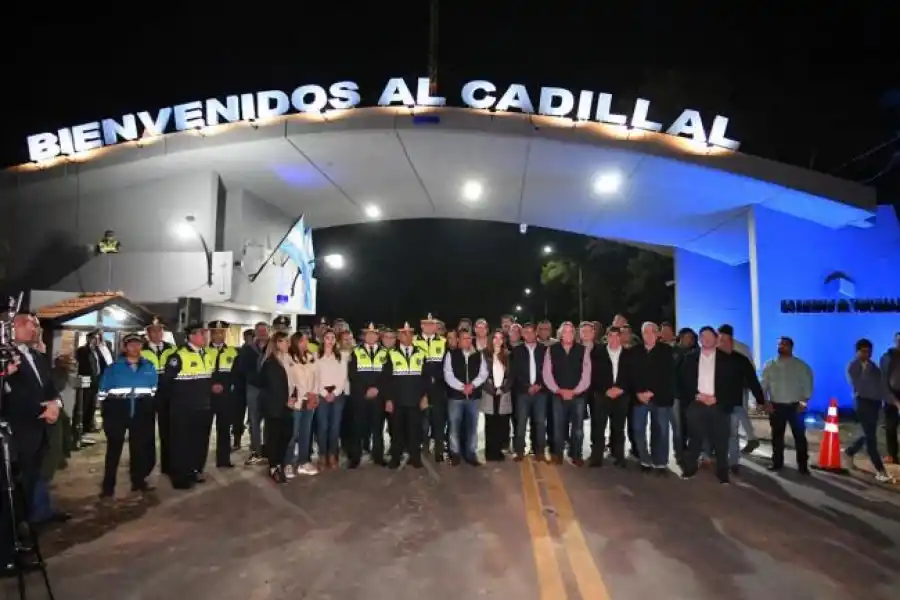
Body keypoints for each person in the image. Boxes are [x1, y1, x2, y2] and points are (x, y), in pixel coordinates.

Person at [1, 313, 62, 567]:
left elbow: (49, 387)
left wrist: (56, 404)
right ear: (12, 327)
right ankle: (6, 554)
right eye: (31, 324)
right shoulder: (5, 358)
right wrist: (41, 410)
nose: (35, 329)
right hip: (16, 434)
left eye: (36, 325)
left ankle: (17, 536)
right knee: (10, 491)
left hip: (39, 433)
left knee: (28, 486)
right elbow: (9, 398)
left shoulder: (37, 356)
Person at [678, 326, 744, 484]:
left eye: (709, 336)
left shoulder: (727, 359)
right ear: (699, 340)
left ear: (716, 339)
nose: (706, 339)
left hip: (718, 405)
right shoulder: (690, 358)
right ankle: (690, 469)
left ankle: (722, 473)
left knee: (721, 441)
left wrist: (718, 398)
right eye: (703, 337)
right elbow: (682, 381)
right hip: (697, 403)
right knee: (694, 439)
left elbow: (734, 385)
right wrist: (695, 395)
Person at [97, 333, 158, 497]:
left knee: (138, 449)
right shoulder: (114, 368)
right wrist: (105, 414)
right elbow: (102, 391)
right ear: (125, 347)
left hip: (140, 409)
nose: (135, 348)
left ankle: (138, 482)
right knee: (114, 449)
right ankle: (108, 487)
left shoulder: (149, 366)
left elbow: (154, 390)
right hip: (117, 409)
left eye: (138, 344)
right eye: (131, 345)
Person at [160, 323, 212, 489]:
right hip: (183, 409)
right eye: (201, 334)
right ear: (191, 337)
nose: (204, 337)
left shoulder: (206, 354)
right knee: (181, 443)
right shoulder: (178, 356)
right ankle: (180, 477)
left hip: (202, 407)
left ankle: (194, 471)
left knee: (199, 442)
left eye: (204, 334)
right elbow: (166, 383)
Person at [628, 322, 676, 474]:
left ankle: (660, 462)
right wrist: (638, 392)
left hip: (661, 398)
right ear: (642, 335)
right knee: (638, 429)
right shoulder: (634, 352)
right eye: (645, 332)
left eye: (652, 331)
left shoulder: (667, 351)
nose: (649, 334)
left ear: (657, 334)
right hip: (639, 398)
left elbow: (669, 376)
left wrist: (652, 392)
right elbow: (630, 375)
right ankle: (644, 459)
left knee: (661, 430)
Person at [543, 321, 592, 466]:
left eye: (571, 331)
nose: (568, 334)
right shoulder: (551, 350)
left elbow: (587, 374)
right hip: (558, 395)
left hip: (578, 396)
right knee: (558, 427)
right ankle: (557, 454)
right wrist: (558, 390)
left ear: (574, 334)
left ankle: (576, 454)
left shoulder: (583, 350)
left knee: (578, 429)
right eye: (565, 331)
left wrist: (575, 391)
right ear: (560, 334)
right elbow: (547, 373)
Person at [761, 336, 812, 475]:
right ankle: (777, 463)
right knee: (777, 436)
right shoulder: (770, 365)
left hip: (795, 407)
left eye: (784, 345)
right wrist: (765, 402)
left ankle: (803, 466)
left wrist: (803, 402)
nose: (781, 347)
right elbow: (763, 385)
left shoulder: (801, 366)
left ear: (791, 347)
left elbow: (807, 385)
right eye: (779, 344)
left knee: (800, 437)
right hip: (776, 406)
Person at [717, 324, 765, 474]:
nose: (721, 342)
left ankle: (733, 462)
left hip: (733, 401)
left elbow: (752, 379)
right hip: (715, 402)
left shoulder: (740, 359)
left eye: (724, 339)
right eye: (720, 339)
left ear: (730, 340)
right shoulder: (711, 357)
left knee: (732, 432)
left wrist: (760, 399)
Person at [846, 339, 895, 483]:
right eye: (864, 351)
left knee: (868, 435)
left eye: (869, 351)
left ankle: (850, 452)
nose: (867, 354)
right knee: (871, 440)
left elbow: (882, 389)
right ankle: (881, 471)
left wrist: (894, 402)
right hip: (862, 404)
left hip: (874, 406)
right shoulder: (853, 367)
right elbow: (860, 386)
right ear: (857, 351)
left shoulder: (875, 368)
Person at [385, 322, 428, 469]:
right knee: (397, 431)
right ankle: (396, 458)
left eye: (410, 333)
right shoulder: (391, 354)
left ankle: (415, 457)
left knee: (415, 430)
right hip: (398, 400)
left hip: (416, 400)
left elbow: (426, 378)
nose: (407, 336)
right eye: (404, 333)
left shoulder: (421, 353)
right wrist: (389, 399)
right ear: (399, 336)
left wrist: (425, 396)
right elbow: (387, 379)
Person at [347, 323, 389, 468]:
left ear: (378, 336)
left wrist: (377, 388)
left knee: (377, 428)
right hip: (361, 396)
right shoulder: (356, 351)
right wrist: (365, 390)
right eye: (368, 334)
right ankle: (355, 458)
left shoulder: (385, 352)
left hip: (378, 396)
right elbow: (352, 374)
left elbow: (387, 375)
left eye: (374, 334)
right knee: (358, 428)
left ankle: (378, 456)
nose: (371, 336)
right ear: (364, 336)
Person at [444, 328, 488, 466]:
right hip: (456, 398)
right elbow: (448, 375)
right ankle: (455, 454)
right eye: (464, 338)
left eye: (469, 338)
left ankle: (470, 454)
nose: (467, 340)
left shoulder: (479, 355)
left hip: (473, 398)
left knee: (472, 428)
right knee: (454, 427)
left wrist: (472, 386)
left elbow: (483, 373)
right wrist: (463, 387)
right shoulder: (451, 355)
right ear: (458, 340)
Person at [589, 326, 630, 468]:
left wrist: (621, 388)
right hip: (602, 395)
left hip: (621, 395)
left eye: (616, 336)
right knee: (599, 427)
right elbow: (592, 374)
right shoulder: (598, 353)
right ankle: (596, 458)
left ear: (621, 337)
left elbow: (631, 375)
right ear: (607, 337)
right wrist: (605, 389)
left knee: (618, 427)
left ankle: (619, 456)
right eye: (610, 336)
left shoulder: (628, 354)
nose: (613, 339)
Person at [511, 323, 549, 462]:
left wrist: (539, 385)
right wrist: (527, 386)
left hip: (541, 392)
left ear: (536, 333)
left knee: (539, 422)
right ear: (522, 335)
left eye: (531, 332)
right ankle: (519, 451)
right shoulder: (516, 351)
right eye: (525, 332)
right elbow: (515, 373)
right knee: (521, 423)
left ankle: (539, 452)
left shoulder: (544, 350)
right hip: (522, 392)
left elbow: (548, 371)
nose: (528, 334)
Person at [259, 331, 293, 483]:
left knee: (285, 435)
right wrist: (286, 401)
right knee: (274, 437)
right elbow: (274, 387)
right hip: (275, 406)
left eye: (288, 341)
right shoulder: (271, 363)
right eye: (284, 341)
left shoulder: (286, 359)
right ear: (277, 344)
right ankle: (274, 466)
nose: (288, 344)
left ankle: (279, 462)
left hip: (286, 405)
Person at [204, 320, 238, 470]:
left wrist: (224, 386)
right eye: (215, 332)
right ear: (210, 334)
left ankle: (223, 459)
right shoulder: (203, 352)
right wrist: (211, 385)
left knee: (224, 429)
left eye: (222, 332)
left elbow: (236, 374)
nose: (219, 335)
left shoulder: (233, 352)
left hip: (226, 397)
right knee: (203, 430)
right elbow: (201, 374)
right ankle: (200, 462)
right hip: (207, 396)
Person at [284, 332, 319, 477]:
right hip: (295, 401)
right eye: (302, 340)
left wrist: (314, 394)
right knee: (292, 433)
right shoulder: (288, 358)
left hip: (309, 400)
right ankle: (287, 463)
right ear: (295, 342)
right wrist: (290, 397)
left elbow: (316, 377)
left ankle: (303, 461)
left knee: (306, 432)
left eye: (306, 340)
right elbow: (287, 380)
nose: (305, 343)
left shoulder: (311, 358)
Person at [141, 316, 174, 474]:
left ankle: (167, 466)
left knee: (167, 432)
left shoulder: (171, 349)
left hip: (167, 395)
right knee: (146, 433)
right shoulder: (141, 350)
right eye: (153, 330)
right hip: (147, 396)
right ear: (148, 333)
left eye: (160, 330)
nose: (157, 333)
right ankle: (147, 467)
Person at [234, 322, 269, 464]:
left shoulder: (272, 348)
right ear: (255, 332)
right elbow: (241, 369)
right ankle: (256, 450)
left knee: (269, 420)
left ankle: (267, 449)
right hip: (253, 388)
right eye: (259, 330)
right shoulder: (248, 349)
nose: (262, 333)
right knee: (254, 420)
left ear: (268, 331)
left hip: (269, 389)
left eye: (264, 330)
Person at [415, 313, 448, 461]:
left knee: (438, 421)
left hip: (439, 388)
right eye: (426, 324)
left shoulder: (443, 341)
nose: (430, 327)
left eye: (432, 324)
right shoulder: (414, 341)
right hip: (420, 388)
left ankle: (439, 451)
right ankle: (423, 447)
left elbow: (446, 365)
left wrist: (437, 378)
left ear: (436, 326)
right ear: (422, 326)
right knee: (422, 421)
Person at [315, 329, 349, 469]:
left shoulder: (341, 356)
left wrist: (334, 393)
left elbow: (343, 377)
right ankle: (322, 454)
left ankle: (332, 454)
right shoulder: (316, 356)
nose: (330, 340)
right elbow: (314, 376)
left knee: (335, 427)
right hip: (321, 394)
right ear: (323, 340)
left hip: (337, 395)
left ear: (336, 340)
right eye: (327, 337)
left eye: (332, 338)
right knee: (322, 426)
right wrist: (324, 393)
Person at [481, 330, 513, 461]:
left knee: (501, 423)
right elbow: (481, 374)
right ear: (491, 339)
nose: (498, 340)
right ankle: (490, 452)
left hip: (503, 393)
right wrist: (491, 389)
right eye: (495, 338)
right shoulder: (484, 354)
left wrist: (503, 388)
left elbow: (512, 375)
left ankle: (498, 450)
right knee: (490, 423)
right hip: (489, 393)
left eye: (501, 338)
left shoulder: (508, 355)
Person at [75, 329, 112, 435]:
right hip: (86, 380)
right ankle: (80, 426)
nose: (95, 341)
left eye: (96, 339)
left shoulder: (97, 351)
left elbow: (104, 362)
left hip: (96, 380)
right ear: (88, 339)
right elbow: (82, 364)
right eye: (93, 338)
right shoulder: (82, 350)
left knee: (92, 404)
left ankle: (88, 425)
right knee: (84, 403)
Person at [880, 332, 900, 465]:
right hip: (892, 396)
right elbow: (883, 380)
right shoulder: (887, 357)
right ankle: (892, 455)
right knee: (890, 427)